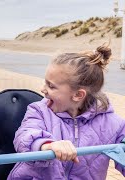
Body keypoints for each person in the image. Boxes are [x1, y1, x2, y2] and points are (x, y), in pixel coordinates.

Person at [7, 45, 125, 180]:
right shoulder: (39, 110)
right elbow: (24, 136)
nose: (42, 89)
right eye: (45, 82)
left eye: (51, 86)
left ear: (78, 95)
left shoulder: (115, 124)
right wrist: (48, 145)